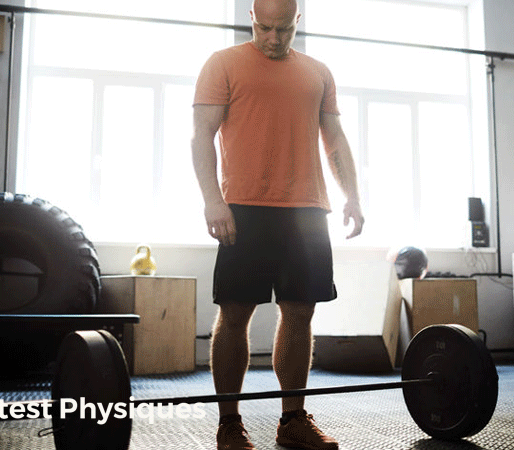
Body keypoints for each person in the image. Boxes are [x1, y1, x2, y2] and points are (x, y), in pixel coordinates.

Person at [192, 0, 363, 448]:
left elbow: (335, 139)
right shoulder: (223, 64)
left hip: (307, 210)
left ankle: (293, 421)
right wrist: (213, 201)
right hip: (243, 209)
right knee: (234, 314)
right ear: (251, 18)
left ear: (296, 23)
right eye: (265, 28)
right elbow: (201, 136)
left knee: (300, 313)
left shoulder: (318, 72)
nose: (273, 38)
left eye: (283, 29)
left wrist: (353, 197)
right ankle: (229, 424)